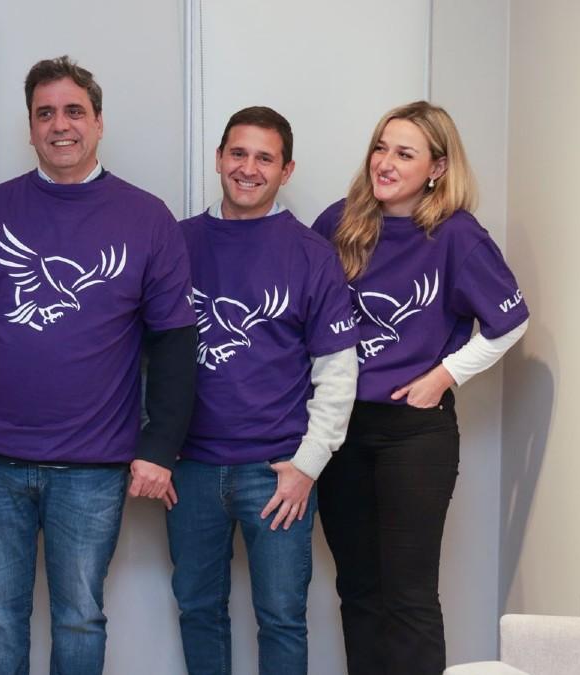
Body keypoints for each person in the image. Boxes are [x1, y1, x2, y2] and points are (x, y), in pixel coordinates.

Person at [0, 56, 198, 675]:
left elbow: (175, 345)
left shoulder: (147, 219)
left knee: (80, 617)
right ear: (30, 127)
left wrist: (160, 447)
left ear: (98, 123)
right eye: (45, 113)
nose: (60, 125)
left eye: (74, 111)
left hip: (93, 466)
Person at [313, 101, 529, 675]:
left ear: (436, 167)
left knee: (408, 596)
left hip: (413, 435)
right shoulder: (338, 222)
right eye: (380, 148)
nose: (385, 163)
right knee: (358, 589)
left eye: (404, 153)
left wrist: (443, 376)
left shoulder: (456, 234)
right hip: (340, 432)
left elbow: (511, 321)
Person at [169, 106, 359, 675]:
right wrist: (154, 447)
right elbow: (140, 352)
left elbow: (337, 370)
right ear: (219, 158)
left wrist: (308, 465)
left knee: (281, 619)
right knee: (198, 611)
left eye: (264, 158)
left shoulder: (311, 254)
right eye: (238, 153)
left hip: (278, 473)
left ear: (286, 170)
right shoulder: (175, 243)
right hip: (190, 469)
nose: (248, 169)